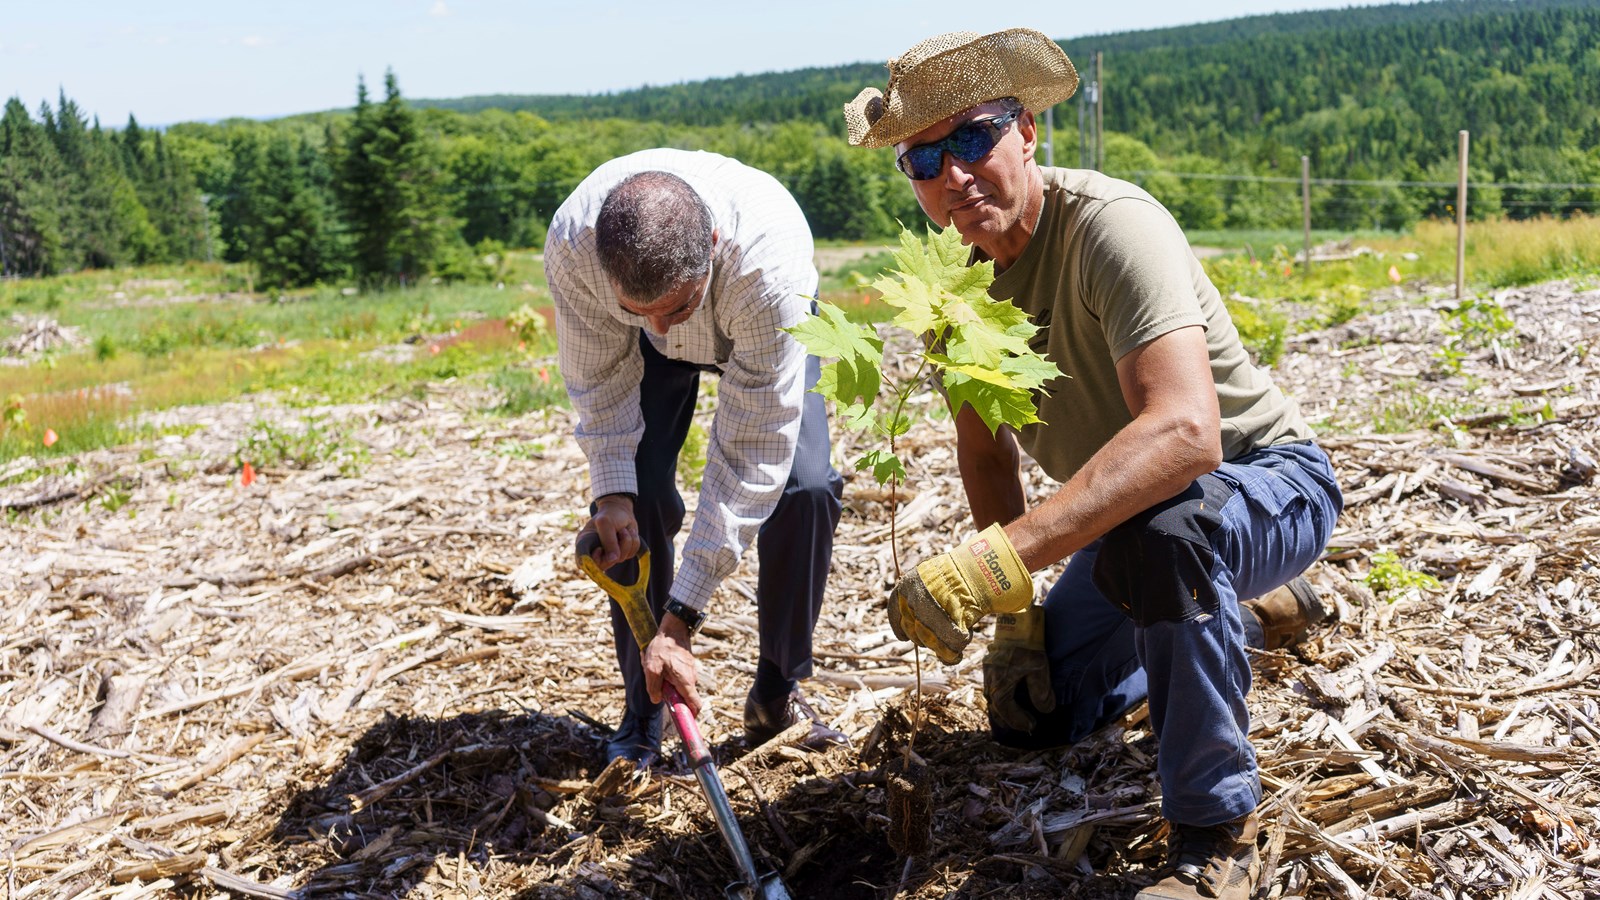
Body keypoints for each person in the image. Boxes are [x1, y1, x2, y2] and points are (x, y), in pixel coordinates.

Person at [844, 29, 1343, 900]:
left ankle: (1216, 832)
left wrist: (989, 561)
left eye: (972, 138)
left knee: (1169, 536)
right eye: (923, 159)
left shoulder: (1112, 227)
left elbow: (1187, 434)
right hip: (1131, 528)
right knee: (1036, 713)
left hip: (1266, 484)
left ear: (1027, 130)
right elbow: (986, 450)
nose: (953, 176)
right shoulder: (949, 290)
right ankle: (1247, 616)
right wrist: (1012, 613)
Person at [548, 149, 848, 767]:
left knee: (806, 488)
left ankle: (777, 692)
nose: (659, 329)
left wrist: (682, 615)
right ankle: (645, 709)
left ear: (711, 245)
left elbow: (749, 453)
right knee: (642, 496)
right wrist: (611, 492)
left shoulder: (768, 269)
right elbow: (600, 378)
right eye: (639, 313)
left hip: (752, 324)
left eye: (674, 310)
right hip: (664, 314)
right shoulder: (575, 249)